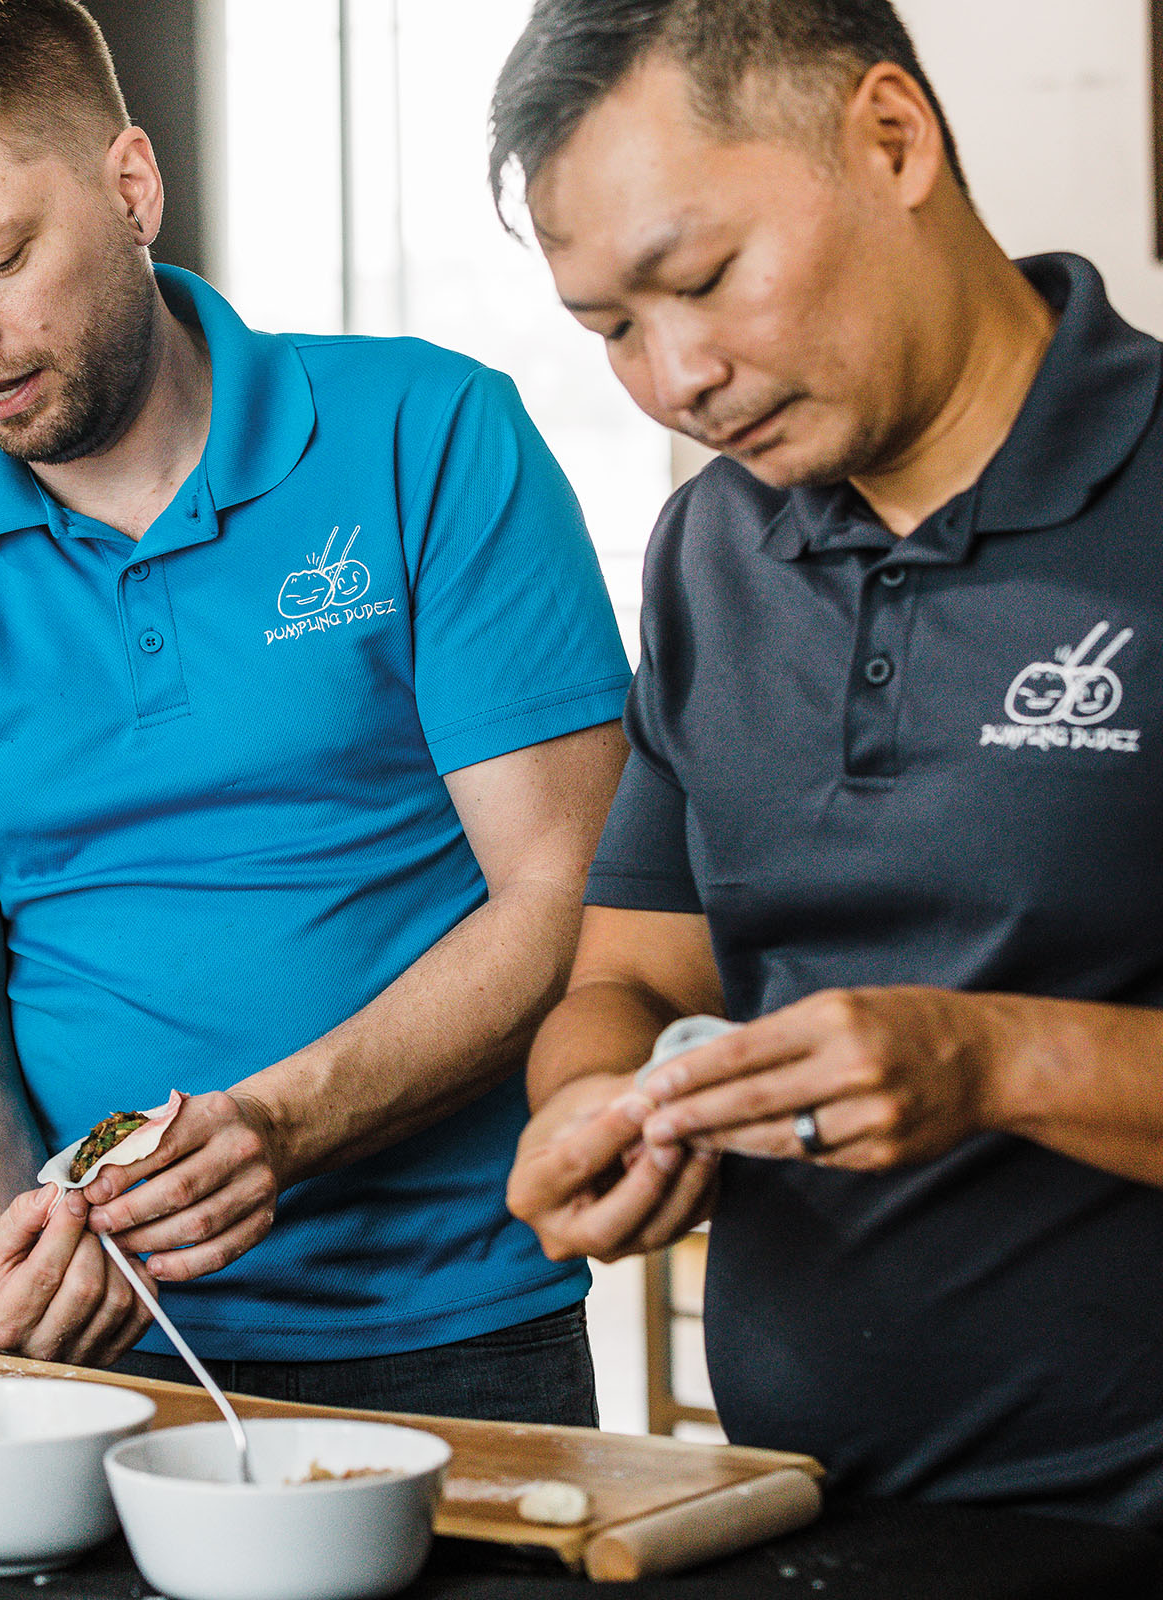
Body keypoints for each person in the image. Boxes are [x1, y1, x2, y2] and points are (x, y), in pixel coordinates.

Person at [0, 0, 632, 1420]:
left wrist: (280, 1125)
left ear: (131, 186)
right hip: (102, 1363)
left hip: (455, 1327)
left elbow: (566, 896)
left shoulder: (430, 437)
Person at [491, 0, 1163, 1525]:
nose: (676, 378)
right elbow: (634, 978)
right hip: (797, 1507)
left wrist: (995, 1061)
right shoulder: (710, 548)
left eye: (704, 278)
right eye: (610, 328)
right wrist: (600, 1103)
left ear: (891, 139)